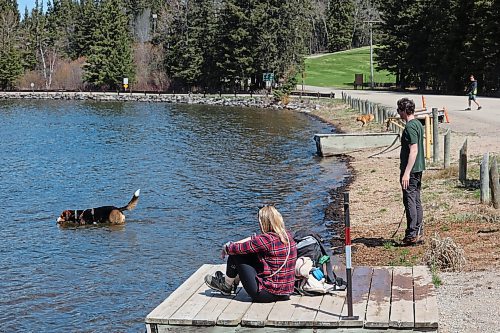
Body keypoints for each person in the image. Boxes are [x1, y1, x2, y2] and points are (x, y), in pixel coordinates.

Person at [205, 205, 297, 303]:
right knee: (249, 253)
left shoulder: (266, 240)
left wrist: (226, 248)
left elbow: (235, 249)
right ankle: (231, 281)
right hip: (285, 293)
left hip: (266, 294)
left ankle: (226, 286)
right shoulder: (288, 236)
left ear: (263, 223)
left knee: (237, 254)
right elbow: (254, 241)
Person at [397, 98, 425, 245]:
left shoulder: (410, 127)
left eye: (399, 110)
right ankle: (419, 232)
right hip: (418, 168)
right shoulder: (418, 124)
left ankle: (412, 234)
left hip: (412, 170)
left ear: (404, 111)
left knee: (410, 201)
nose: (398, 113)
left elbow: (413, 150)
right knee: (416, 200)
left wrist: (406, 172)